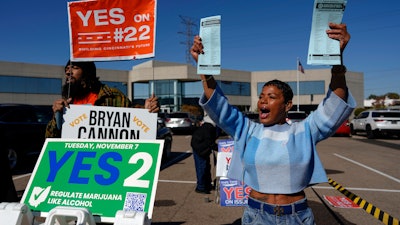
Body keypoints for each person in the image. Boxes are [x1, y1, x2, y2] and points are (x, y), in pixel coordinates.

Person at [190, 23, 355, 225]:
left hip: (297, 217)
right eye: (261, 97)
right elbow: (219, 104)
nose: (263, 101)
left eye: (271, 97)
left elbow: (334, 106)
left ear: (287, 105)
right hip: (256, 216)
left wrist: (337, 64)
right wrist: (203, 68)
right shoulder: (247, 130)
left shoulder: (304, 130)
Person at [45, 60, 159, 138]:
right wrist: (57, 116)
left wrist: (146, 112)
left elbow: (133, 124)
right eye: (67, 69)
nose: (68, 72)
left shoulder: (111, 95)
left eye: (74, 68)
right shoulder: (67, 102)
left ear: (87, 73)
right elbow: (50, 138)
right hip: (77, 163)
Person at [190, 113, 218, 194]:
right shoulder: (209, 128)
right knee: (202, 167)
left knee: (206, 167)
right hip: (200, 149)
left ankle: (207, 185)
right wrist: (221, 148)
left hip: (201, 148)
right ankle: (201, 187)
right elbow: (210, 142)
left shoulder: (207, 127)